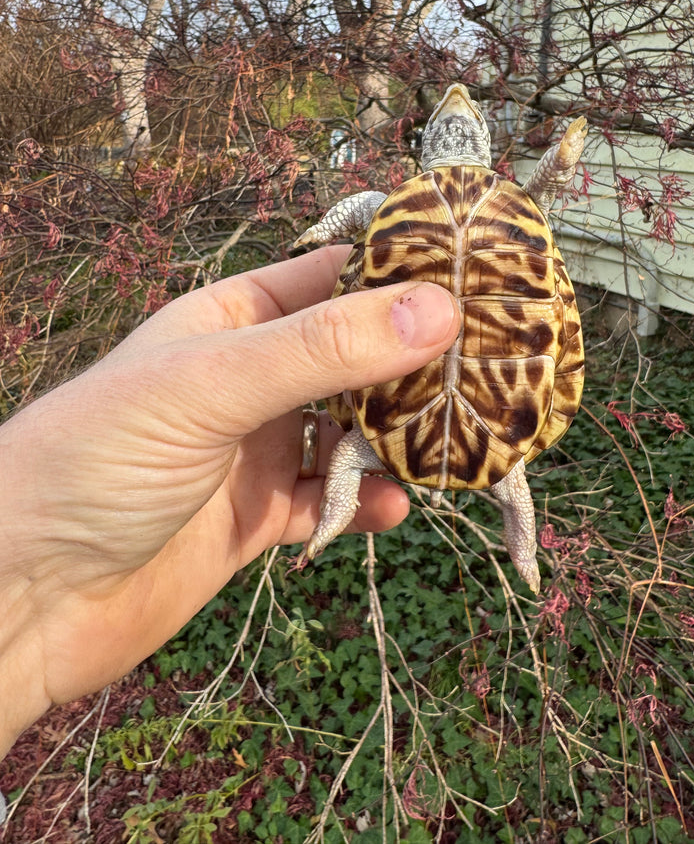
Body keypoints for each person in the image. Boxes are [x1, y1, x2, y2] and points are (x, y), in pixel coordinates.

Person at [0, 247, 460, 759]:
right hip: (436, 413)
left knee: (353, 459)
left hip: (389, 412)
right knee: (356, 462)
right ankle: (337, 525)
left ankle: (337, 524)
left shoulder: (389, 221)